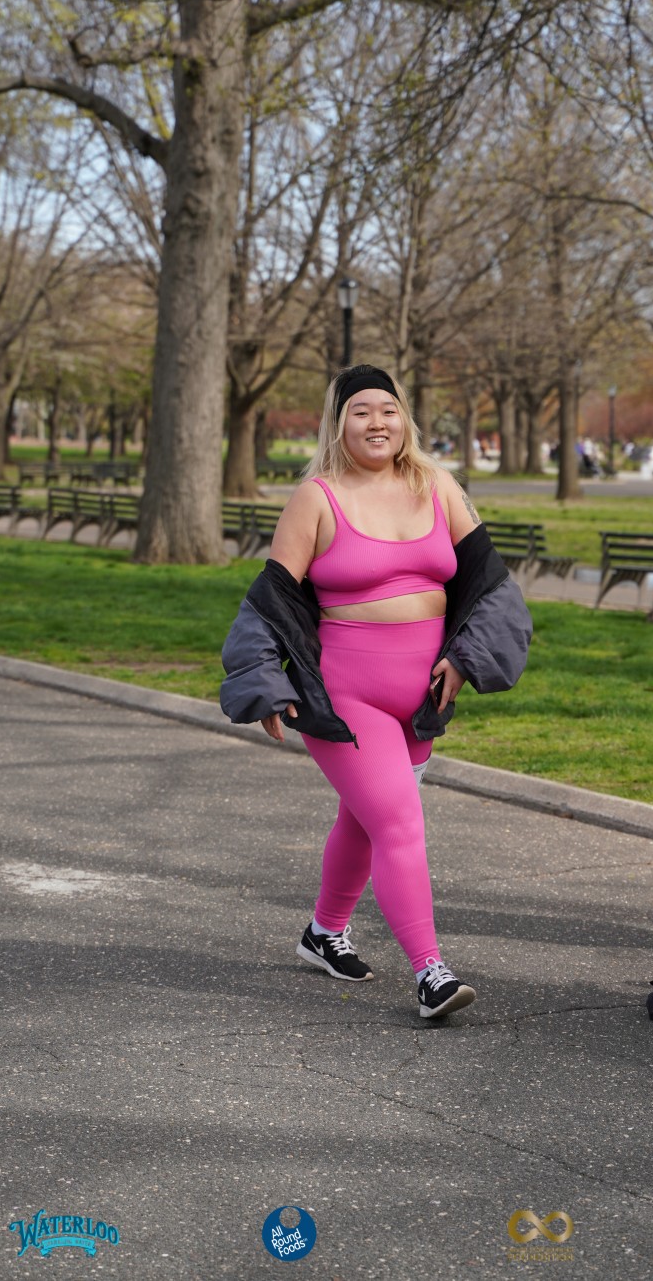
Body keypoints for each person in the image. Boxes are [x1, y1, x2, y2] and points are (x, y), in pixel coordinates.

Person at [221, 365, 532, 1019]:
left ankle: (323, 932)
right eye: (360, 411)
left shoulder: (438, 486)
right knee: (397, 821)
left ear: (404, 419)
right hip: (347, 695)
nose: (377, 422)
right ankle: (431, 972)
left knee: (362, 821)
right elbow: (270, 601)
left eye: (388, 409)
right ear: (338, 424)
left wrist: (466, 657)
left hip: (420, 696)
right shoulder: (316, 498)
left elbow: (489, 583)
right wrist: (264, 683)